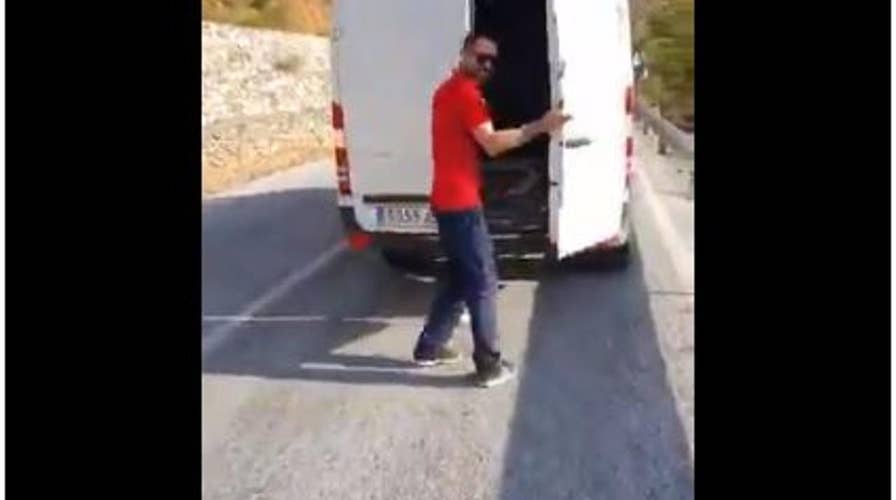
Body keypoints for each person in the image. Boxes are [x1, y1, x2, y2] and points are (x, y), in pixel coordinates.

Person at [412, 32, 570, 388]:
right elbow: (493, 143)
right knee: (482, 280)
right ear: (464, 54)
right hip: (460, 204)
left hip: (447, 199)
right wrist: (540, 127)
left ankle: (429, 347)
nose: (486, 65)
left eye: (491, 61)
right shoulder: (465, 95)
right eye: (480, 57)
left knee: (457, 277)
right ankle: (488, 364)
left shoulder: (447, 89)